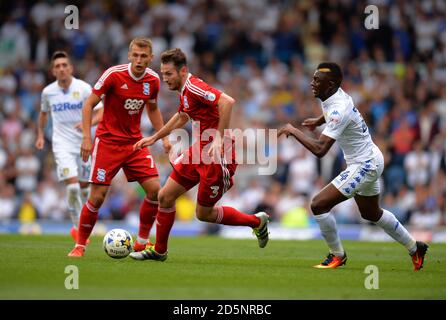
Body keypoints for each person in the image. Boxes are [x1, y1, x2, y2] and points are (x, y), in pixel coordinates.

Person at [278, 62, 428, 271]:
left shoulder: (338, 108)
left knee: (318, 204)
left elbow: (321, 149)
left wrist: (294, 131)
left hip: (364, 164)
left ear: (330, 85)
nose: (312, 84)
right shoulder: (332, 95)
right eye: (312, 79)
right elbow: (334, 111)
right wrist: (320, 121)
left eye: (316, 81)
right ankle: (415, 247)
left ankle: (337, 255)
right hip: (370, 158)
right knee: (371, 213)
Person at [129, 48, 269, 261]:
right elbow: (182, 117)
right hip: (199, 150)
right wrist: (155, 137)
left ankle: (256, 222)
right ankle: (159, 251)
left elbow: (227, 102)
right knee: (164, 196)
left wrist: (219, 137)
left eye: (168, 74)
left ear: (183, 71)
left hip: (217, 154)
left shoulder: (194, 86)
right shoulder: (185, 91)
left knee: (203, 214)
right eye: (162, 73)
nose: (164, 79)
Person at [67, 38, 171, 257]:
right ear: (129, 55)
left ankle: (142, 242)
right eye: (135, 55)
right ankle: (80, 245)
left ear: (151, 58)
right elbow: (88, 105)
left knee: (154, 190)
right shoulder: (113, 75)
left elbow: (152, 109)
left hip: (135, 143)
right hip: (108, 143)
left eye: (144, 56)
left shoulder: (153, 80)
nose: (139, 60)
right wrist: (87, 137)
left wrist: (163, 136)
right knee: (97, 197)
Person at [36, 51, 103, 243]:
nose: (62, 69)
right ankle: (77, 228)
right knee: (72, 188)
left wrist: (87, 124)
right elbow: (43, 114)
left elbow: (101, 112)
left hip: (83, 144)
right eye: (57, 66)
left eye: (64, 65)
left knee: (83, 189)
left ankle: (84, 223)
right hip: (61, 145)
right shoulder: (48, 92)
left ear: (71, 68)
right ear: (53, 71)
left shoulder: (83, 88)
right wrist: (40, 135)